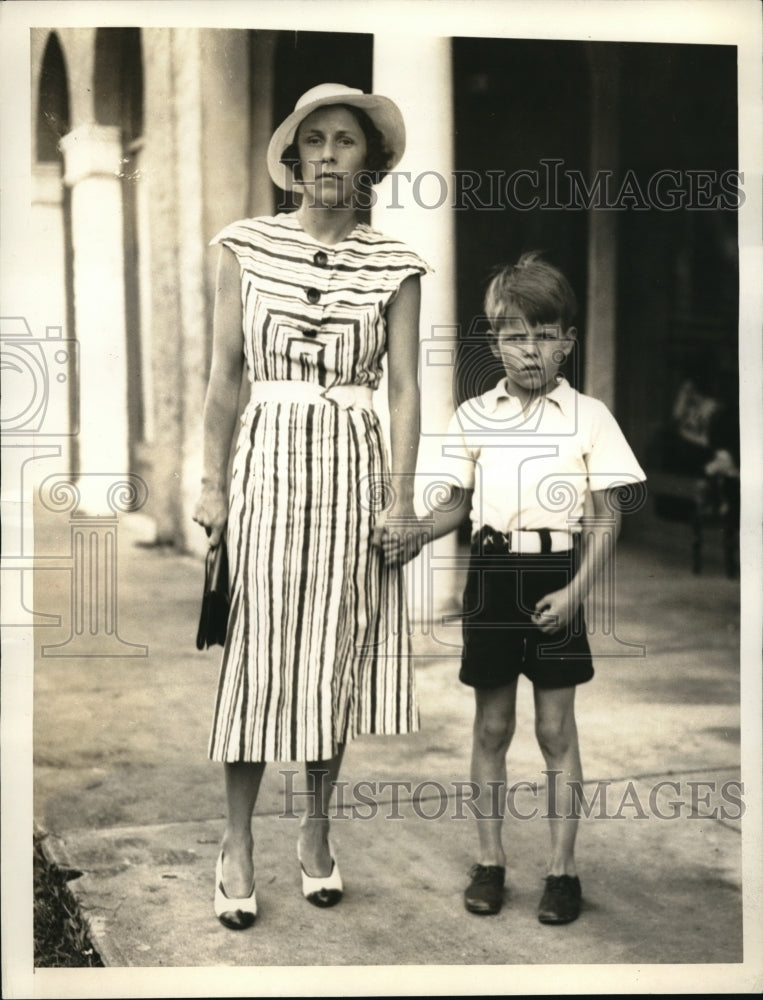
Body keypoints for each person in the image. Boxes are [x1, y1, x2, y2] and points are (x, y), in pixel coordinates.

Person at [193, 83, 429, 929]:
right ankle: (236, 841)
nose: (329, 155)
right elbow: (225, 378)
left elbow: (403, 390)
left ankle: (318, 834)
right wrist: (212, 484)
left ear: (368, 163)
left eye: (347, 142)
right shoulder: (243, 247)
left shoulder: (396, 264)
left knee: (333, 655)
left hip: (352, 472)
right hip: (267, 465)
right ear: (292, 161)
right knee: (257, 656)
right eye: (315, 141)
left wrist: (401, 502)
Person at [386, 253, 646, 923]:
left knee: (556, 730)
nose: (528, 351)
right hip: (493, 580)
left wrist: (576, 594)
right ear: (494, 341)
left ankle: (562, 871)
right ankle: (490, 860)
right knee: (492, 726)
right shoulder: (473, 415)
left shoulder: (587, 416)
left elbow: (605, 517)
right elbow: (453, 505)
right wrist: (412, 533)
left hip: (557, 577)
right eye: (512, 336)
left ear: (566, 340)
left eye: (542, 335)